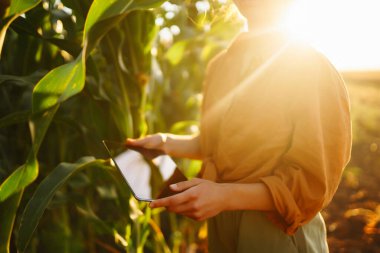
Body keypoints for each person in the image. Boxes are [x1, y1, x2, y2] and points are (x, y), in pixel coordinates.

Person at [127, 0, 352, 252]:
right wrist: (166, 143)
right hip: (221, 223)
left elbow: (310, 184)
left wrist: (225, 196)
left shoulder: (310, 67)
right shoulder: (220, 65)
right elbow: (215, 143)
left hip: (276, 227)